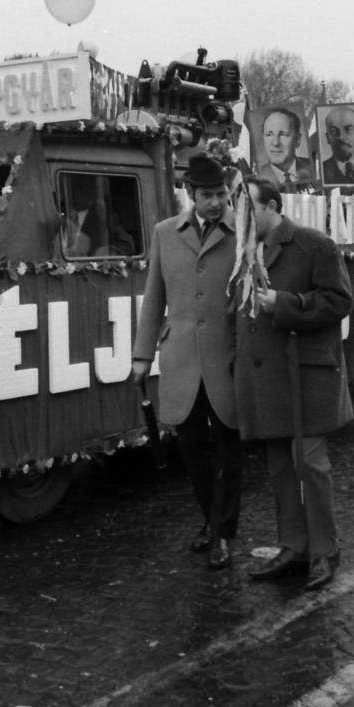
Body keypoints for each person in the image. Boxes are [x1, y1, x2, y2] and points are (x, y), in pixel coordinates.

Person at [236, 177, 354, 591]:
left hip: (308, 374)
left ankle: (325, 550)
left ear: (271, 205)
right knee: (281, 468)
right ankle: (293, 546)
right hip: (269, 377)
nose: (242, 216)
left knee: (310, 466)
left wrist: (285, 304)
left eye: (248, 207)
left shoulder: (313, 243)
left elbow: (340, 301)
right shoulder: (245, 250)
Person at [133, 154, 242, 568]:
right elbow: (154, 296)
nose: (215, 203)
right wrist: (142, 355)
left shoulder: (242, 233)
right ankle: (211, 520)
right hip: (181, 358)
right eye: (207, 195)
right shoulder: (165, 233)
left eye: (221, 194)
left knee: (228, 449)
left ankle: (223, 534)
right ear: (191, 195)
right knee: (192, 447)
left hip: (226, 358)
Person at [256, 108, 315, 185]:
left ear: (298, 140)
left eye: (283, 134)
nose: (275, 143)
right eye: (269, 134)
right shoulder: (257, 179)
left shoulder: (315, 169)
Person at [320, 106, 354, 184]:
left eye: (349, 130)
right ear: (327, 137)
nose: (341, 137)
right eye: (333, 131)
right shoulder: (320, 171)